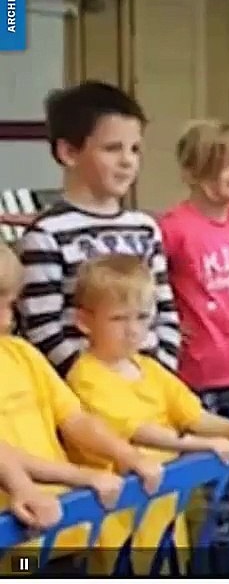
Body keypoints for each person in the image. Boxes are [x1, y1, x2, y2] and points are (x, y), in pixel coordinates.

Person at [65, 255, 229, 573]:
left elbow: (193, 415)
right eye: (118, 319)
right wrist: (200, 445)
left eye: (142, 317)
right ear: (85, 322)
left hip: (165, 508)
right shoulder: (85, 376)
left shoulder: (151, 368)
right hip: (117, 521)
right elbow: (137, 432)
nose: (133, 330)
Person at [0, 243, 163, 570]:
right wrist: (81, 475)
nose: (6, 319)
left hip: (63, 529)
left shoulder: (20, 353)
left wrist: (125, 454)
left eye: (10, 304)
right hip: (14, 542)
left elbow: (74, 418)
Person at [19, 81, 182, 376]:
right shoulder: (46, 236)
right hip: (84, 390)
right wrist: (98, 382)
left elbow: (165, 312)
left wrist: (159, 374)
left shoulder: (145, 229)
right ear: (69, 152)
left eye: (135, 149)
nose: (127, 161)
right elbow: (43, 329)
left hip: (148, 382)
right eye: (112, 149)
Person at [159, 120, 229, 413]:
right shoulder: (174, 228)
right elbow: (148, 282)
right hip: (198, 372)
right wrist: (165, 322)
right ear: (193, 173)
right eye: (227, 165)